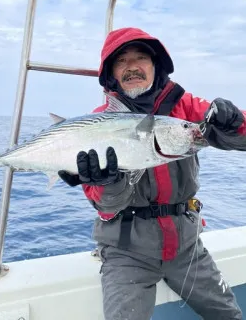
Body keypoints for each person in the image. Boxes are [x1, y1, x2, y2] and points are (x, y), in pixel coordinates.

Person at [58, 27, 245, 320]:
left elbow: (239, 138)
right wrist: (111, 182)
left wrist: (235, 121)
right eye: (122, 61)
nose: (132, 66)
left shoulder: (185, 108)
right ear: (111, 73)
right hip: (126, 253)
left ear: (156, 66)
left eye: (141, 57)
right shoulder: (96, 125)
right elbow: (106, 207)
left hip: (187, 248)